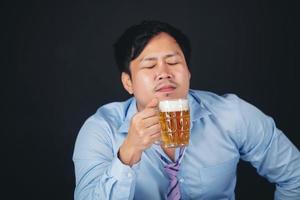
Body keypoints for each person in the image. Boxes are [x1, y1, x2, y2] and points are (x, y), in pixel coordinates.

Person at [72, 20, 300, 200]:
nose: (164, 72)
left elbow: (295, 176)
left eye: (173, 61)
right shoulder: (101, 128)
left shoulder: (231, 114)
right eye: (150, 65)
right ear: (128, 82)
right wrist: (128, 154)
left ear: (188, 73)